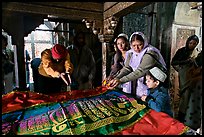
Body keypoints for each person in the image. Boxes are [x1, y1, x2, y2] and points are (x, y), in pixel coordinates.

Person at [105, 32, 167, 99]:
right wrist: (116, 78)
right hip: (135, 82)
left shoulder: (150, 53)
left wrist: (120, 80)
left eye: (139, 45)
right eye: (134, 45)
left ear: (144, 43)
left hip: (150, 84)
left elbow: (140, 71)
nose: (137, 48)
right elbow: (127, 68)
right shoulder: (131, 53)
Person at [171, 34, 201, 130]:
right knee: (183, 95)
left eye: (194, 43)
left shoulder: (197, 53)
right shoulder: (181, 51)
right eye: (191, 43)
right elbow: (174, 62)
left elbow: (198, 66)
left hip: (193, 77)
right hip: (183, 76)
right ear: (187, 42)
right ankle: (180, 117)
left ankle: (187, 119)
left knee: (189, 97)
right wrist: (184, 64)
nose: (192, 45)